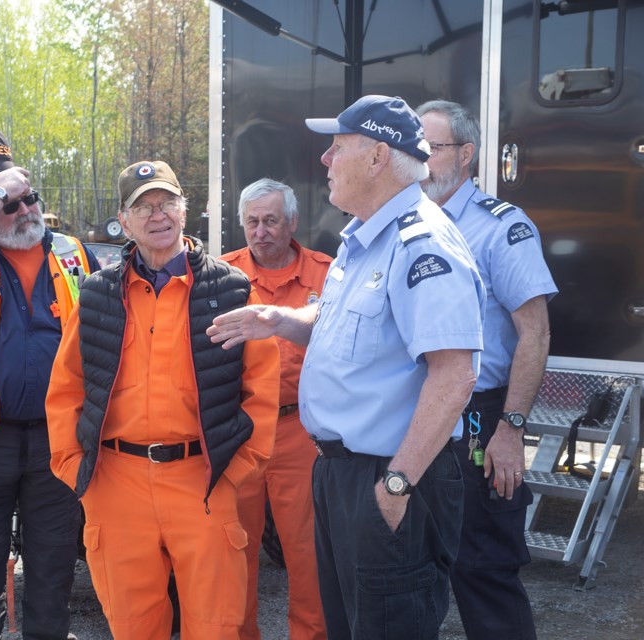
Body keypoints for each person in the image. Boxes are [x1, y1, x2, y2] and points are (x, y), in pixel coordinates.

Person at [207, 95, 487, 639]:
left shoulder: (421, 243)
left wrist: (397, 484)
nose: (325, 160)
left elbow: (455, 374)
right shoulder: (362, 240)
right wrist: (281, 319)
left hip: (390, 473)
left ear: (378, 157)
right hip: (340, 472)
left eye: (337, 148)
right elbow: (344, 323)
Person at [46, 160, 281, 639]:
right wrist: (79, 472)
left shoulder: (232, 289)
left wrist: (235, 475)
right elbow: (65, 389)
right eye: (143, 206)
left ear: (184, 208)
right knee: (133, 628)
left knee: (216, 626)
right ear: (124, 220)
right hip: (117, 484)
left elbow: (261, 389)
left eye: (167, 202)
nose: (158, 215)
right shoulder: (96, 296)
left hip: (205, 481)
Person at [0, 132, 99, 640]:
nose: (24, 209)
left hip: (57, 440)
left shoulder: (75, 255)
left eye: (29, 198)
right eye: (9, 203)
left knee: (53, 570)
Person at [416, 99, 557, 640]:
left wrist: (510, 429)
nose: (420, 157)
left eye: (432, 147)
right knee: (417, 565)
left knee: (482, 567)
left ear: (466, 153)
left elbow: (535, 334)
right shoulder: (409, 224)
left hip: (479, 417)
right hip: (419, 413)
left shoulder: (502, 228)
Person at [221, 178, 331, 640]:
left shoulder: (328, 274)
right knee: (234, 549)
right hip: (239, 429)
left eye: (270, 220)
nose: (260, 231)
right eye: (252, 222)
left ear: (292, 222)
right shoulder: (219, 274)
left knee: (307, 552)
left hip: (300, 431)